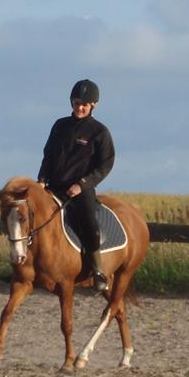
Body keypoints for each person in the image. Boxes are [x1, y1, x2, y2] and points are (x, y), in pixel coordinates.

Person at [37, 78, 116, 292]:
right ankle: (25, 268)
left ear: (93, 105)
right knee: (29, 217)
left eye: (84, 104)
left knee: (89, 221)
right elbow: (48, 156)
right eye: (76, 103)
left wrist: (82, 185)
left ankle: (98, 269)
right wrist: (42, 180)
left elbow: (105, 164)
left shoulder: (99, 132)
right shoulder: (59, 126)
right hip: (53, 186)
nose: (79, 108)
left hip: (80, 190)